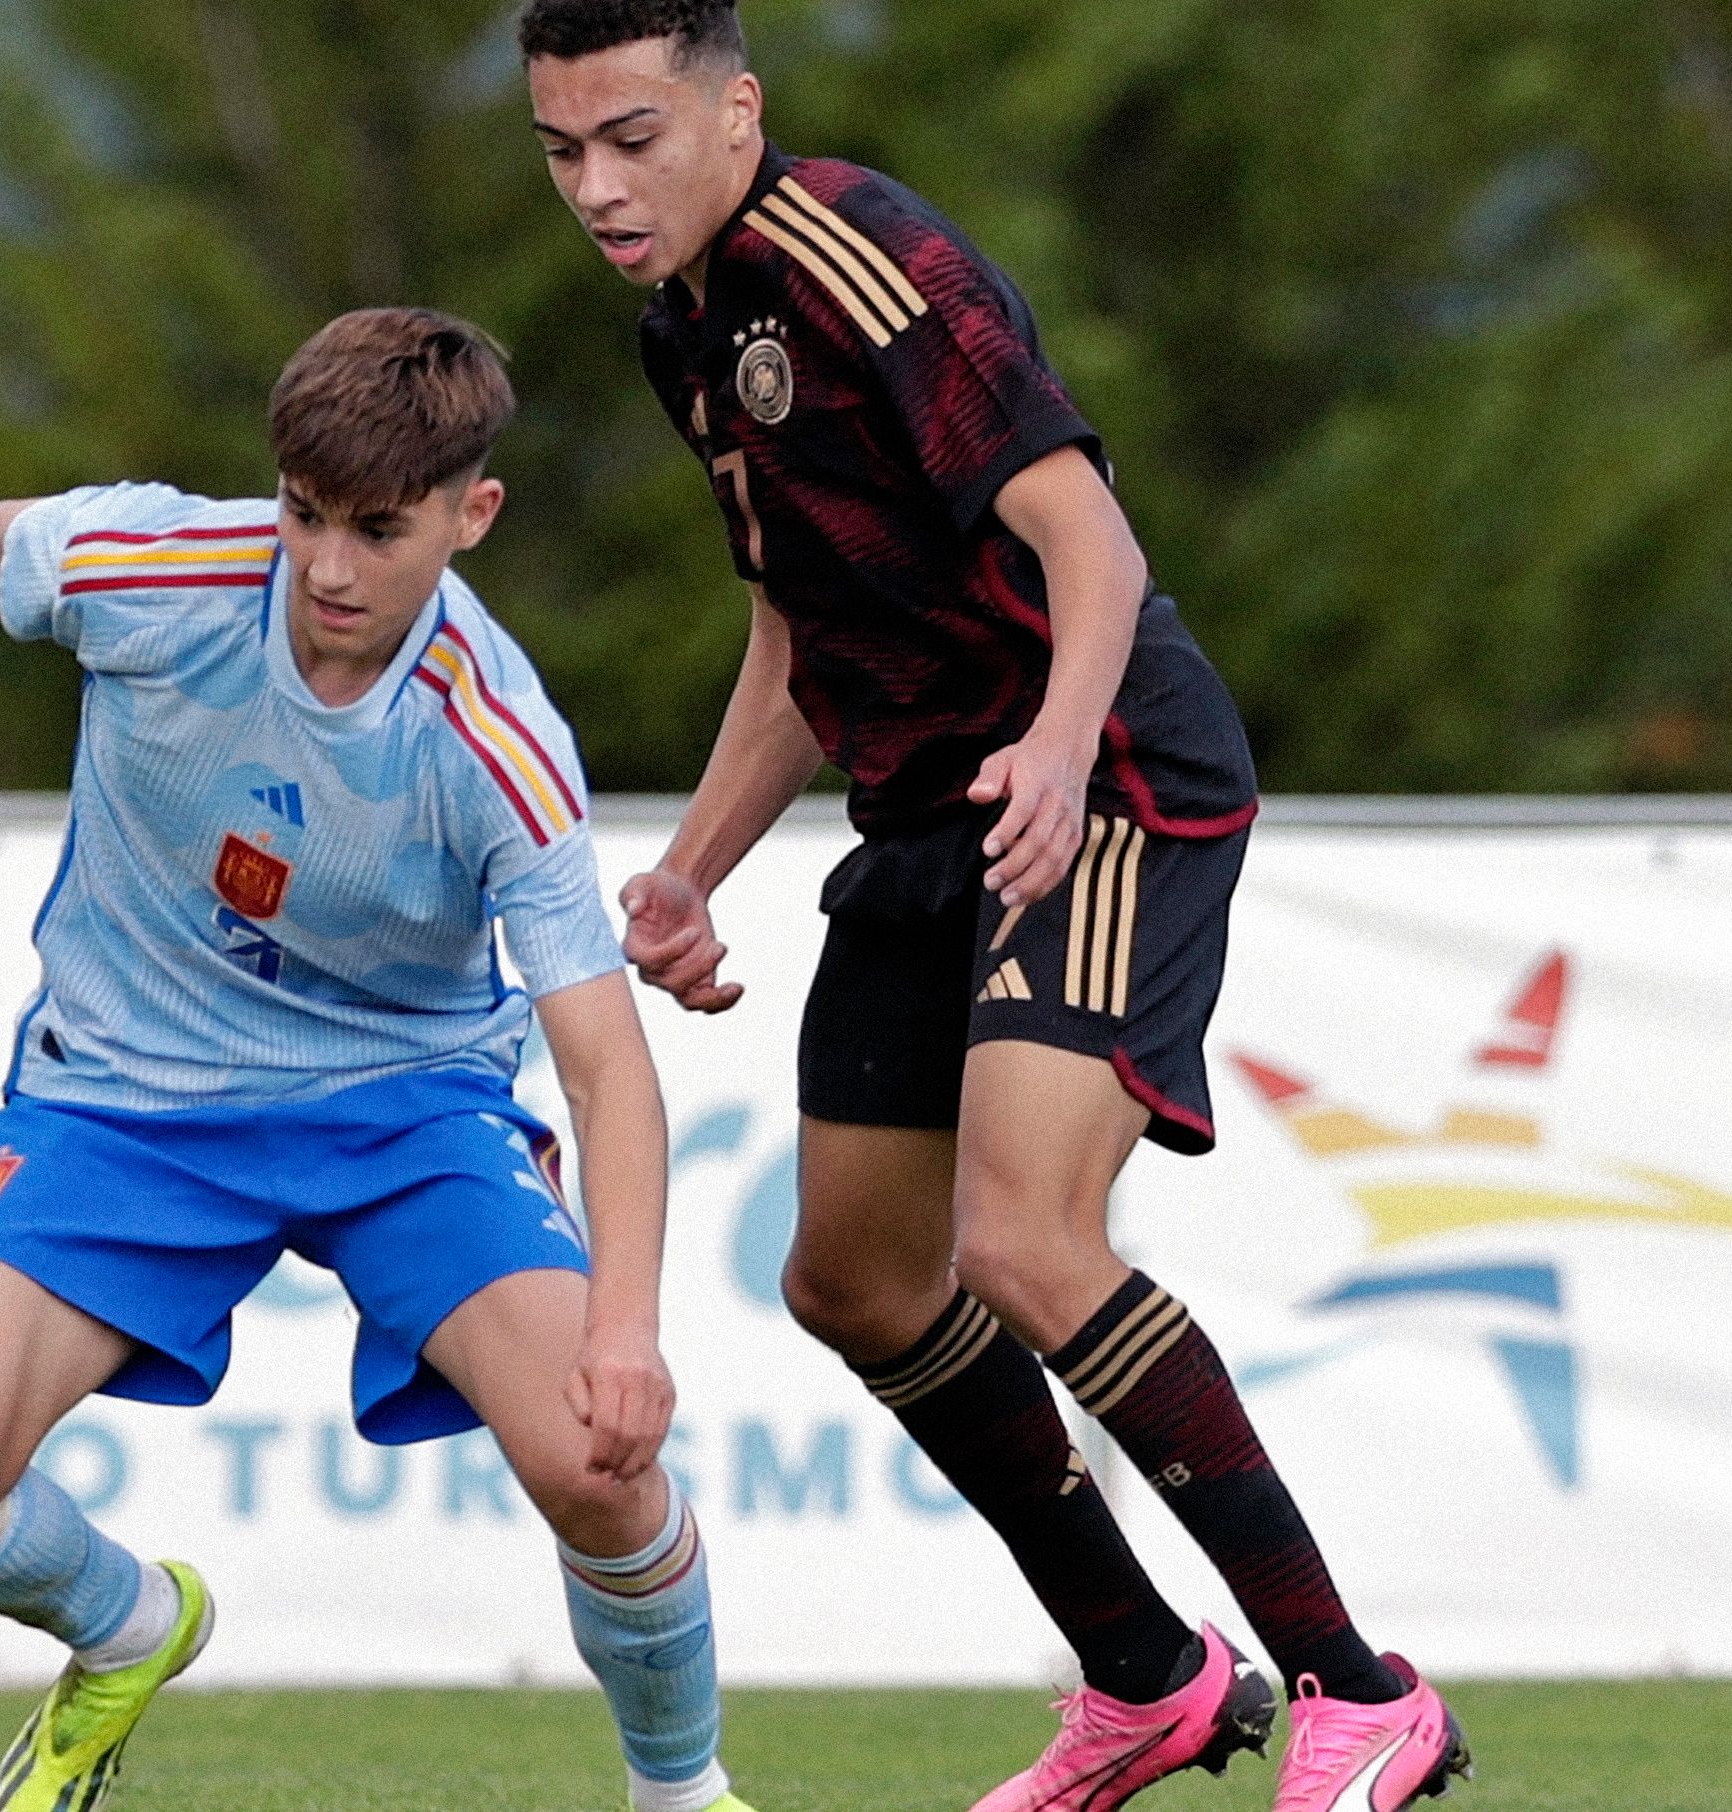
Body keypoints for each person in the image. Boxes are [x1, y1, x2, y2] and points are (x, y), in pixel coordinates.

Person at [512, 5, 1470, 1812]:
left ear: (737, 109)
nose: (596, 185)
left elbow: (1086, 539)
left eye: (631, 137)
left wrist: (1047, 747)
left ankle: (1357, 1690)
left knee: (1025, 1245)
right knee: (855, 1280)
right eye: (563, 151)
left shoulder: (867, 259)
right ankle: (1146, 1683)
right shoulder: (687, 331)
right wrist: (688, 872)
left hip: (1102, 782)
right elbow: (803, 636)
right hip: (930, 811)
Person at [0, 307, 754, 1812]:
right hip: (122, 1101)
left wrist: (626, 1331)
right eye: (304, 515)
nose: (325, 569)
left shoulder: (494, 736)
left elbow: (606, 1071)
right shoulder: (162, 572)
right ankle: (126, 1624)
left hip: (406, 1115)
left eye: (378, 531)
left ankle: (680, 1794)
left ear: (469, 515)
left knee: (596, 1458)